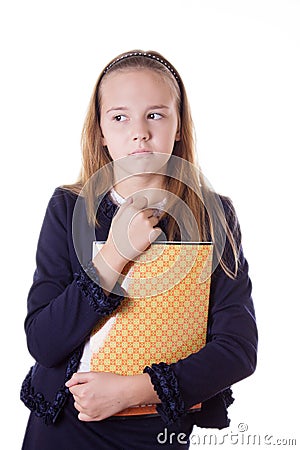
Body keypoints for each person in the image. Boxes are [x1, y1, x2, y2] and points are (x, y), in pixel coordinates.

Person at [20, 50, 258, 449]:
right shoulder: (68, 208)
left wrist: (133, 390)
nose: (139, 132)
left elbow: (237, 350)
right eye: (119, 117)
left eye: (155, 114)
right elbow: (44, 342)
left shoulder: (213, 215)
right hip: (64, 427)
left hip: (156, 432)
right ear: (100, 131)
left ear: (179, 124)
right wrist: (115, 253)